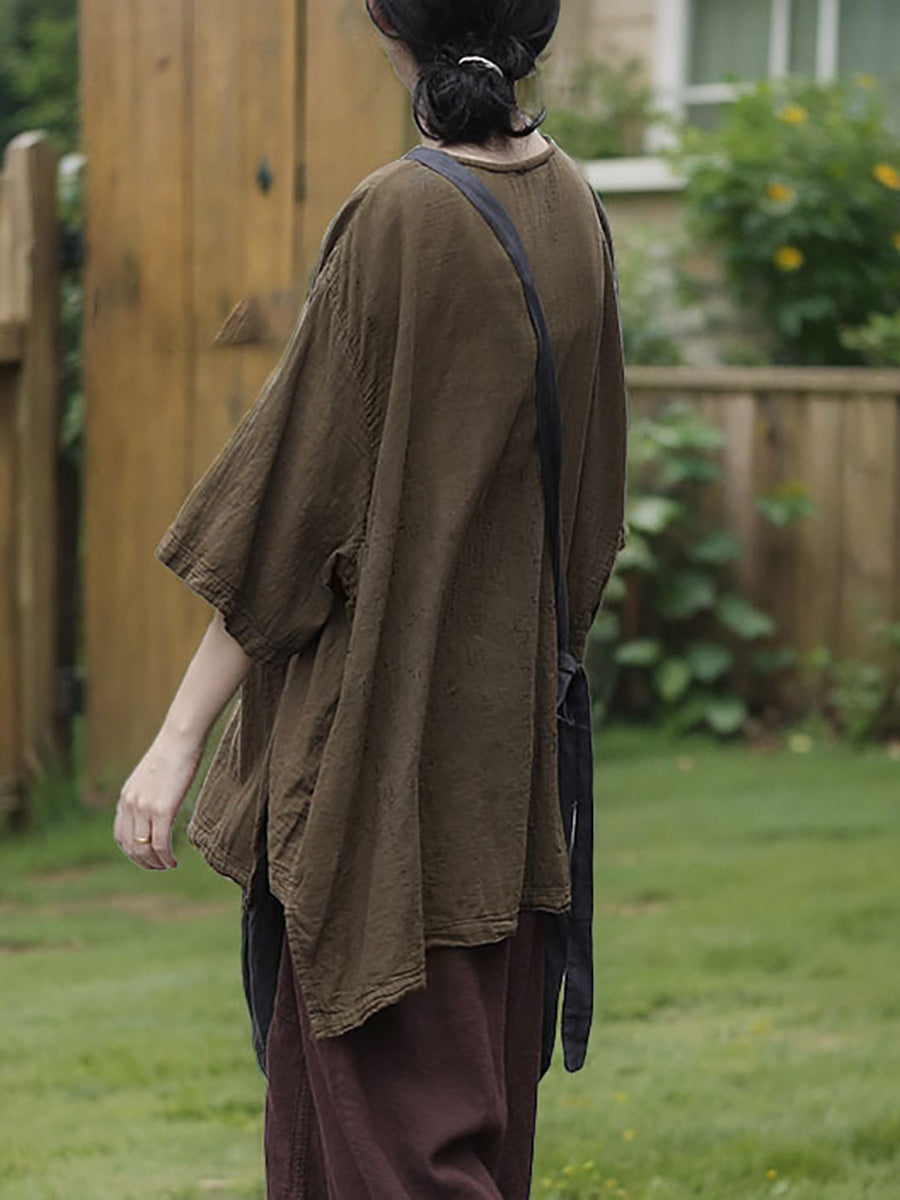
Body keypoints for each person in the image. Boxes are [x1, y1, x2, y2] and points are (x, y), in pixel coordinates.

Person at [113, 0, 628, 1195]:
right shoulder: (576, 206)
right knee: (396, 1146)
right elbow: (590, 515)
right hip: (508, 779)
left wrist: (176, 742)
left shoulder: (404, 214)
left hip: (385, 788)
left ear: (394, 31)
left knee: (393, 1161)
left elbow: (290, 517)